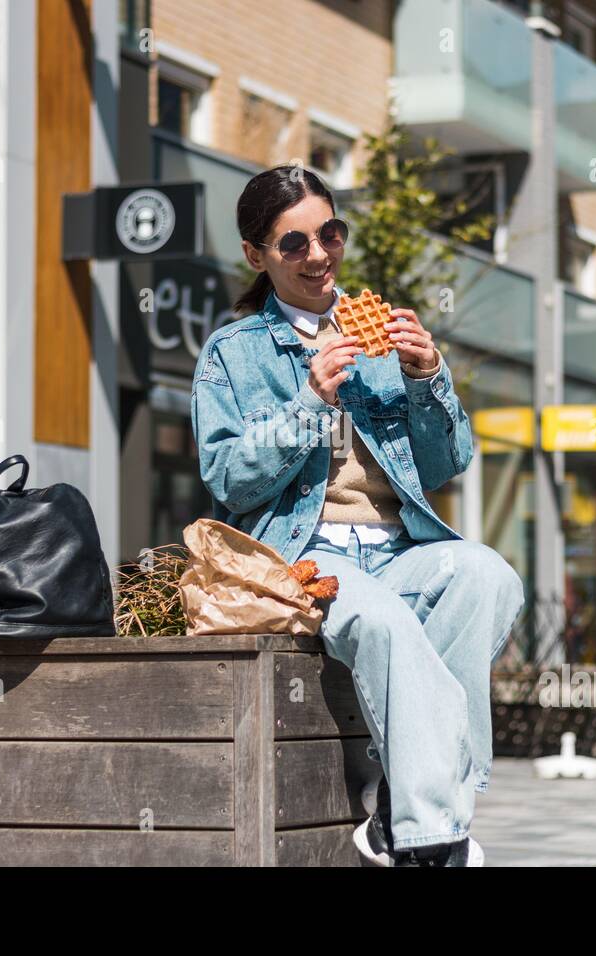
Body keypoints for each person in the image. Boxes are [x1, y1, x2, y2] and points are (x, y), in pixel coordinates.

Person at [190, 165, 525, 866]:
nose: (318, 255)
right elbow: (226, 477)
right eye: (294, 244)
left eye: (330, 233)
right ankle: (428, 836)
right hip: (306, 555)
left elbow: (447, 463)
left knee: (487, 575)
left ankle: (401, 811)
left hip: (400, 548)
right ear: (257, 255)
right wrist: (309, 405)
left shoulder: (383, 337)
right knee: (384, 621)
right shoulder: (234, 353)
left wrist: (427, 377)